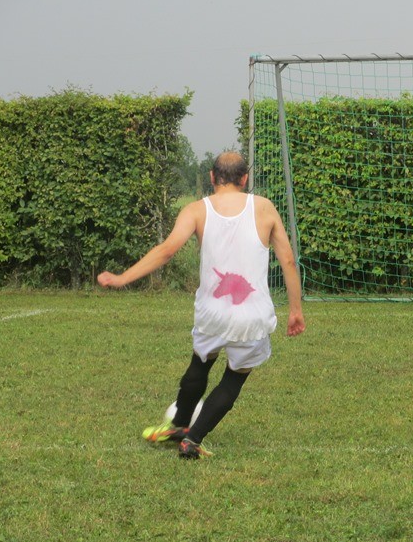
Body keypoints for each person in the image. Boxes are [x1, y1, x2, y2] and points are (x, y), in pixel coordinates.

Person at [97, 151, 305, 459]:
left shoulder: (196, 210)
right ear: (244, 178)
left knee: (200, 364)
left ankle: (179, 426)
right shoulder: (264, 207)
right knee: (234, 378)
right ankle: (191, 439)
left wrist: (121, 278)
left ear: (211, 177)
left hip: (212, 313)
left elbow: (166, 251)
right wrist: (295, 311)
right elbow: (288, 260)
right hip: (251, 317)